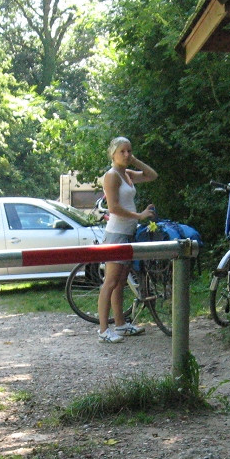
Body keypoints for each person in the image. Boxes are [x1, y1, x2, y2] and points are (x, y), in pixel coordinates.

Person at [97, 136, 158, 343]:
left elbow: (152, 176)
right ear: (112, 153)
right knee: (111, 281)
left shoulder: (127, 174)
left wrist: (135, 161)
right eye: (122, 151)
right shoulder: (112, 175)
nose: (126, 155)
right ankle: (104, 329)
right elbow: (113, 208)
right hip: (117, 233)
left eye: (129, 151)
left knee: (121, 281)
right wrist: (139, 216)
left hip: (129, 232)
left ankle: (121, 324)